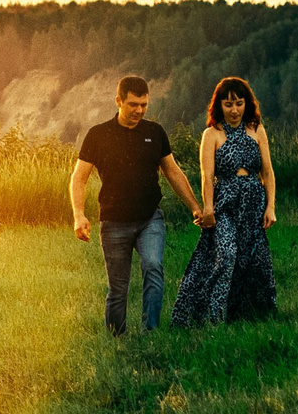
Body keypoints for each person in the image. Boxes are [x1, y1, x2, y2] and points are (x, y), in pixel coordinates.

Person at [71, 75, 200, 335]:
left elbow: (173, 171)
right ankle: (116, 337)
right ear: (118, 101)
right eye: (133, 104)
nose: (139, 111)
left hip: (149, 219)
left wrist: (196, 207)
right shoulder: (99, 135)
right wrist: (79, 215)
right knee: (118, 287)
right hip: (113, 223)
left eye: (144, 105)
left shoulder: (154, 132)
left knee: (153, 266)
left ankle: (150, 333)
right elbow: (79, 178)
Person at [171, 75, 278, 326]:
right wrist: (208, 208)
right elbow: (207, 176)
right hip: (225, 204)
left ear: (246, 104)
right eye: (228, 104)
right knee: (227, 254)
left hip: (253, 203)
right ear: (219, 105)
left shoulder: (257, 130)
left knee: (253, 259)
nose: (234, 110)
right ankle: (213, 316)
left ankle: (250, 315)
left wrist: (271, 207)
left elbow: (268, 172)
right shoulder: (212, 134)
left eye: (239, 103)